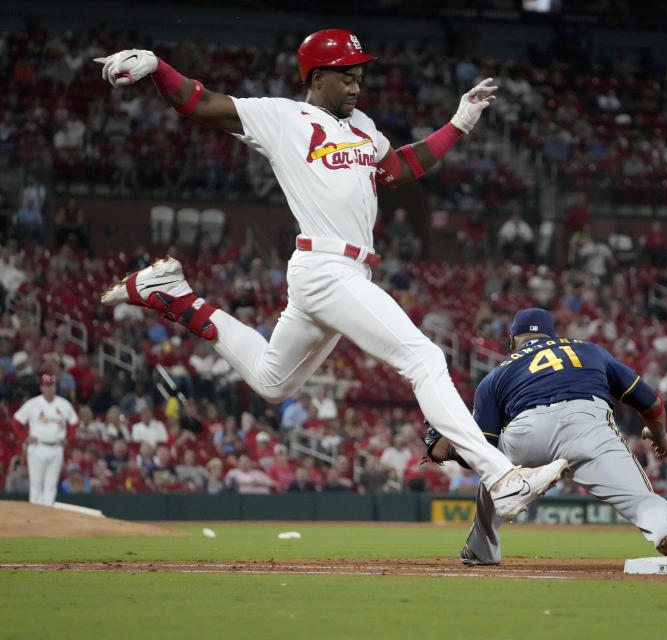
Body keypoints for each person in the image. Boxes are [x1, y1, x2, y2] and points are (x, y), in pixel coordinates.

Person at [95, 30, 565, 520]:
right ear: (317, 78)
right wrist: (157, 66)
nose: (357, 85)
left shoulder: (362, 124)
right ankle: (501, 476)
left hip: (342, 271)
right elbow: (200, 103)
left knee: (273, 382)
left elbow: (399, 169)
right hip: (325, 266)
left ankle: (174, 296)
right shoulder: (283, 117)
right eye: (347, 76)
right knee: (424, 358)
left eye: (360, 75)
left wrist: (459, 123)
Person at [426, 308, 667, 566]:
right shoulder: (588, 350)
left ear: (512, 339)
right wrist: (659, 434)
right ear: (553, 335)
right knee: (640, 499)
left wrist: (449, 451)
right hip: (588, 424)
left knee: (496, 473)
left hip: (526, 430)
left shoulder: (495, 375)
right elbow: (650, 401)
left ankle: (482, 549)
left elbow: (482, 450)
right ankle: (666, 531)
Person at [11, 373, 80, 505]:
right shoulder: (33, 404)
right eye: (46, 385)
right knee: (36, 483)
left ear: (55, 386)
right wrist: (24, 437)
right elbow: (16, 421)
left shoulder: (63, 404)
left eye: (52, 385)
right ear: (41, 387)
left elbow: (74, 422)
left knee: (51, 484)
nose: (49, 388)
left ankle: (48, 515)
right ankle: (35, 516)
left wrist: (68, 437)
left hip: (56, 448)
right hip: (38, 447)